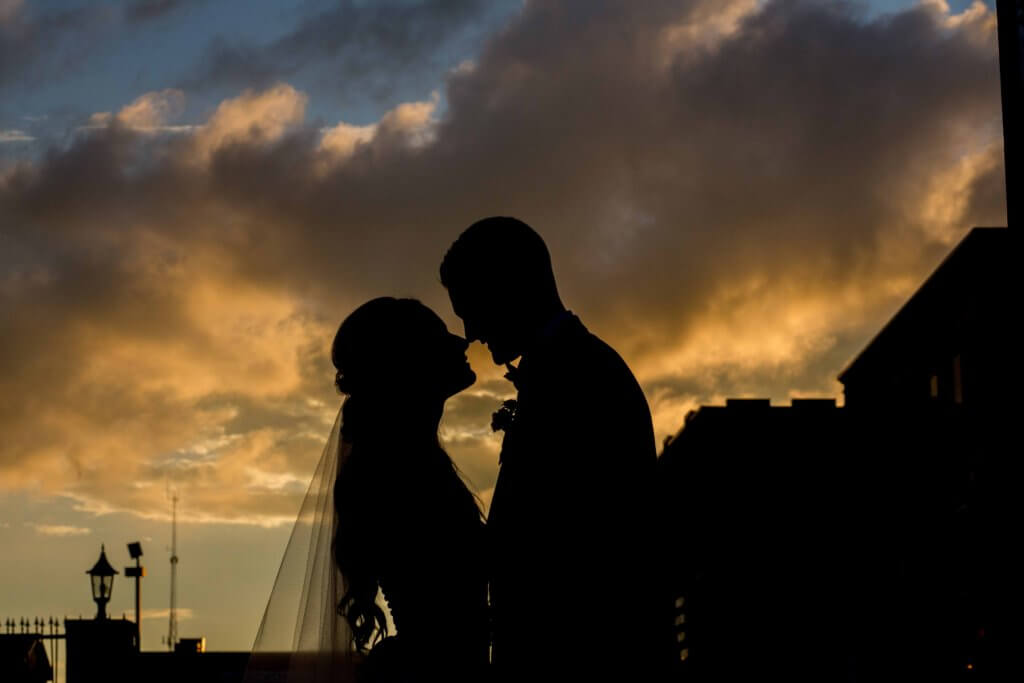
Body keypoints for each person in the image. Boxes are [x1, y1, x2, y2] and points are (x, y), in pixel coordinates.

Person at [441, 217, 677, 681]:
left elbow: (580, 544)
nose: (469, 331)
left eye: (470, 307)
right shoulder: (564, 368)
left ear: (508, 286)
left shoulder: (582, 376)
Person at [246, 297, 489, 683]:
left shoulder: (410, 461)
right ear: (407, 363)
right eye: (438, 337)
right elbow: (444, 604)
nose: (460, 343)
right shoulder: (402, 473)